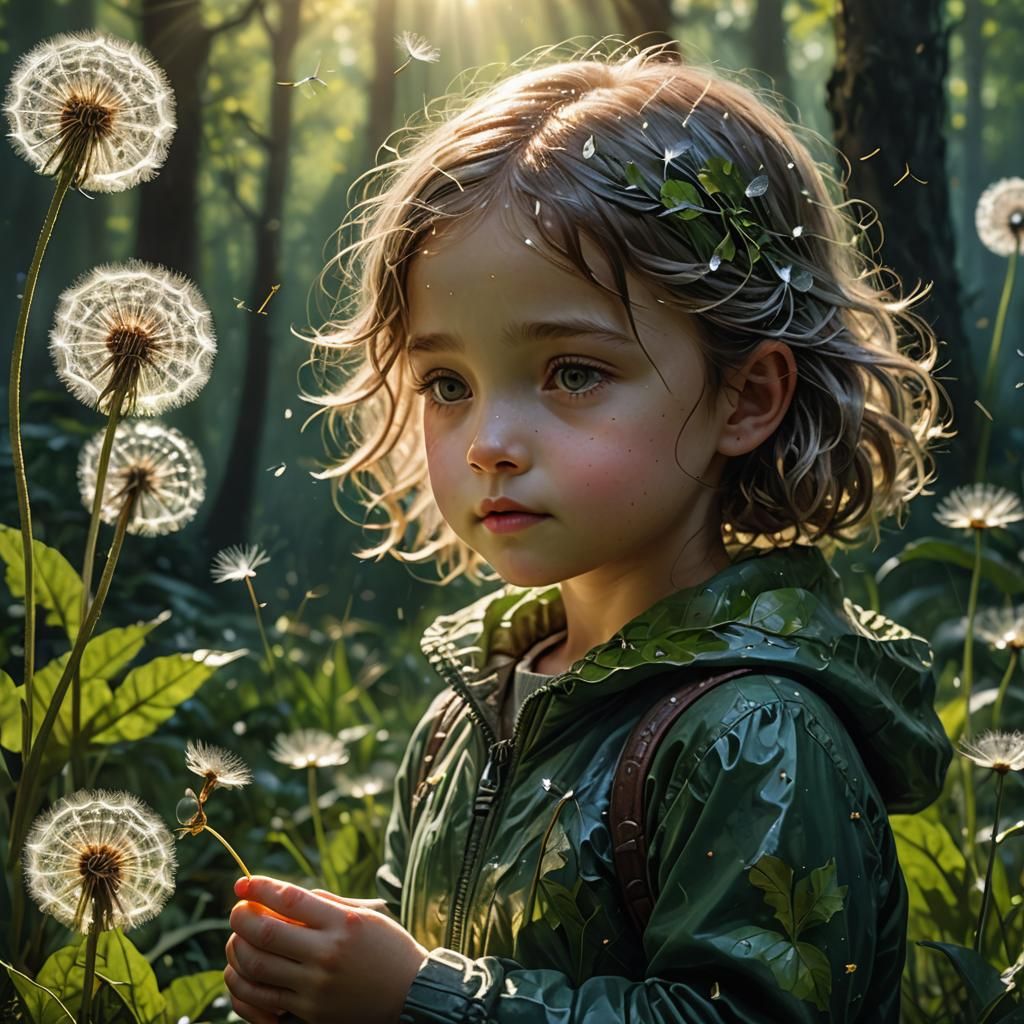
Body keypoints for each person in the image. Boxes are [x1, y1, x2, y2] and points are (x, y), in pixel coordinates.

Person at [223, 38, 955, 1024]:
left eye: (572, 372)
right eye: (447, 383)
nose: (489, 443)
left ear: (747, 396)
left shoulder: (756, 734)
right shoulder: (467, 712)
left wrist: (420, 996)